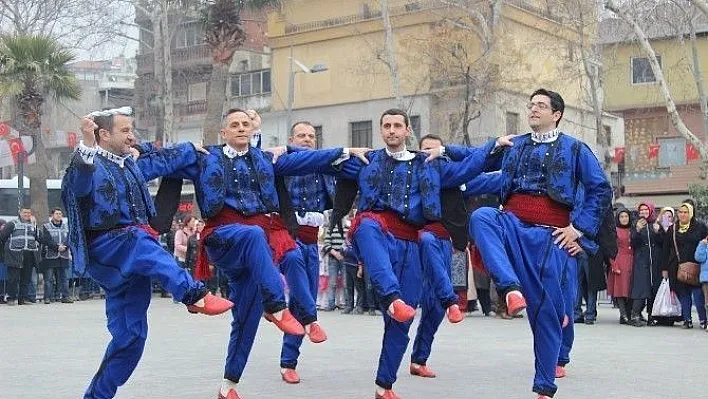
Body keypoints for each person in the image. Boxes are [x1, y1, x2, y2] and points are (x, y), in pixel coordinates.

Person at [161, 108, 369, 399]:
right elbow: (166, 163)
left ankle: (228, 386)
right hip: (224, 238)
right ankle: (278, 306)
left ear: (252, 130)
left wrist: (346, 151)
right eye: (234, 125)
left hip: (260, 247)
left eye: (245, 124)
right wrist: (171, 149)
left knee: (246, 317)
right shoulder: (205, 158)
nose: (241, 128)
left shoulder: (267, 159)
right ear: (224, 133)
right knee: (257, 236)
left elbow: (310, 158)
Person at [330, 108, 512, 399]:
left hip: (411, 241)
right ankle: (391, 296)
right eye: (386, 125)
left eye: (397, 126)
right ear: (381, 130)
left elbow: (470, 169)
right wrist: (342, 151)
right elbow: (324, 163)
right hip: (377, 231)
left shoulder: (429, 164)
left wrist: (492, 145)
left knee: (402, 319)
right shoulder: (367, 160)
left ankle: (384, 385)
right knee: (365, 226)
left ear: (407, 131)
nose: (391, 130)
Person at [64, 107, 233, 399]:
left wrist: (190, 150)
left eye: (132, 130)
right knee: (140, 239)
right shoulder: (87, 163)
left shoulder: (130, 163)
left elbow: (163, 161)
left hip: (132, 258)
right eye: (125, 131)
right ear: (104, 134)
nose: (132, 136)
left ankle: (96, 396)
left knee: (131, 337)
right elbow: (77, 185)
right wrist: (86, 145)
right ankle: (193, 295)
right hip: (106, 248)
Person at [470, 89, 612, 399]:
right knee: (482, 217)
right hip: (512, 222)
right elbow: (470, 160)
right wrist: (445, 154)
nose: (533, 109)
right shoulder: (515, 145)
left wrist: (579, 230)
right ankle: (509, 288)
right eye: (531, 105)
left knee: (547, 310)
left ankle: (545, 387)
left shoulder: (575, 149)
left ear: (556, 114)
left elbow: (601, 189)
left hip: (551, 235)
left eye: (541, 105)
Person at [278, 121, 337, 384]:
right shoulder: (281, 159)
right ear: (291, 138)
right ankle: (311, 322)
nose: (306, 139)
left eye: (311, 136)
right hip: (286, 235)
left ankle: (289, 361)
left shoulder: (324, 165)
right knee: (301, 293)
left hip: (312, 239)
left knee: (306, 297)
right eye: (301, 135)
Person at [409, 134, 466, 380]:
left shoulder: (454, 178)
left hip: (445, 243)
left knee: (433, 308)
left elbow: (484, 179)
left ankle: (419, 360)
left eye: (434, 151)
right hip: (417, 240)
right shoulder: (411, 178)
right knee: (408, 303)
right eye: (425, 151)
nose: (429, 155)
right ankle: (450, 299)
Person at [661, 202, 708, 329]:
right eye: (680, 212)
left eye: (685, 212)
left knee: (698, 296)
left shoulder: (700, 227)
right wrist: (664, 268)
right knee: (683, 294)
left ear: (691, 213)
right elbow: (666, 248)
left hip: (696, 267)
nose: (682, 214)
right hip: (677, 266)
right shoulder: (673, 228)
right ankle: (687, 319)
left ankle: (703, 319)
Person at [0, 207, 56, 305]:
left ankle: (23, 299)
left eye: (29, 213)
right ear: (20, 213)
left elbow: (41, 239)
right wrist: (7, 251)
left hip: (29, 255)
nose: (27, 214)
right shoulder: (12, 224)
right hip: (15, 255)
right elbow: (3, 237)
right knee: (14, 278)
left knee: (26, 278)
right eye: (25, 212)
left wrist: (35, 225)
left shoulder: (33, 225)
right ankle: (11, 298)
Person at [629, 201, 660, 326]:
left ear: (651, 210)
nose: (643, 212)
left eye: (646, 210)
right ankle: (635, 314)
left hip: (655, 261)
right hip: (641, 260)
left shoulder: (656, 224)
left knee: (654, 289)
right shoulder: (635, 224)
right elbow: (633, 243)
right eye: (641, 210)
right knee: (641, 288)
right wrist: (637, 230)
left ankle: (652, 316)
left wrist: (658, 232)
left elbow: (662, 242)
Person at [41, 208, 73, 303]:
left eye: (60, 213)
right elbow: (46, 239)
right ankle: (48, 297)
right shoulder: (46, 226)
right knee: (49, 279)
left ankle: (65, 296)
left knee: (64, 278)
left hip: (64, 255)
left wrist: (65, 246)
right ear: (52, 215)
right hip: (50, 256)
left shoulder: (66, 226)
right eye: (57, 213)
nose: (59, 215)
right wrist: (57, 247)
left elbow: (69, 238)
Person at [608, 209, 633, 324]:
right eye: (621, 216)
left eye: (626, 216)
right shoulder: (615, 231)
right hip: (620, 260)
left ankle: (629, 313)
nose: (624, 219)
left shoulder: (633, 229)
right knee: (620, 289)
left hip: (632, 260)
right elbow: (611, 249)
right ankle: (623, 314)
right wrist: (613, 264)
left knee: (630, 289)